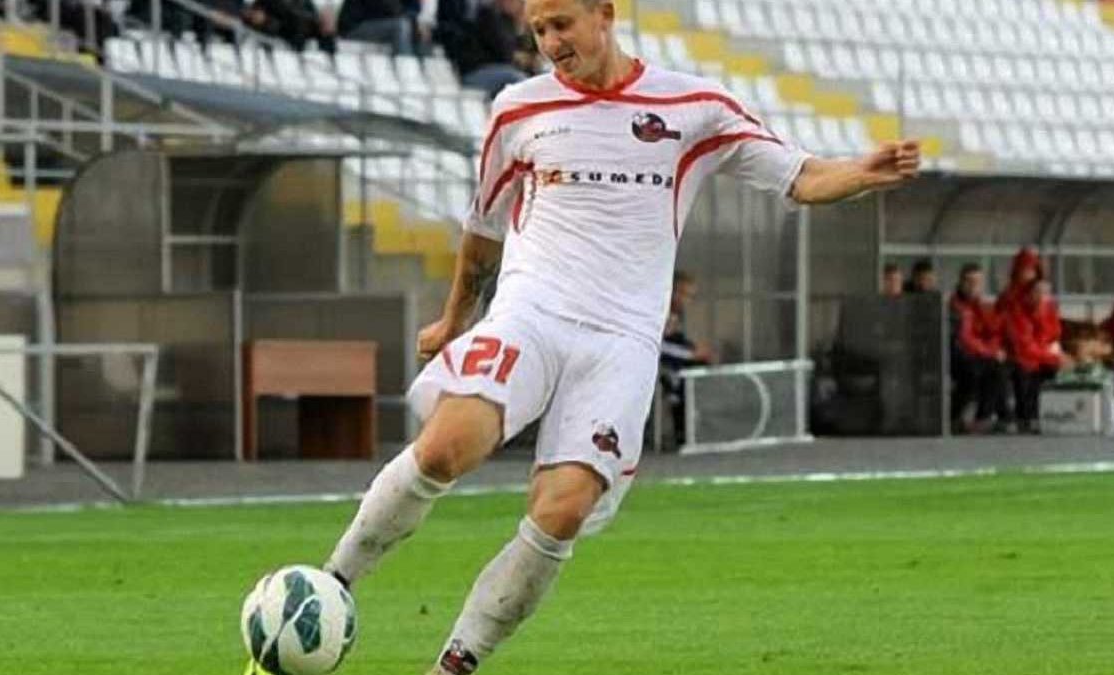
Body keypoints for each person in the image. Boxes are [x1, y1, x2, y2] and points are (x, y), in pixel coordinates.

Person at [310, 0, 921, 672]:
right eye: (538, 30)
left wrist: (863, 172)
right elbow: (483, 227)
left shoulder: (694, 106)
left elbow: (798, 175)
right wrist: (456, 318)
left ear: (604, 13)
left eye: (561, 25)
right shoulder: (517, 109)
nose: (550, 42)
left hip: (621, 341)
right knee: (445, 445)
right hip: (531, 313)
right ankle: (329, 583)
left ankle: (455, 662)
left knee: (564, 509)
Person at [948, 263, 1008, 433]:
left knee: (998, 368)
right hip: (956, 355)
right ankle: (960, 417)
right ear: (961, 282)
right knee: (979, 371)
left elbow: (991, 332)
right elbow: (965, 338)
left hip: (975, 355)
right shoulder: (956, 306)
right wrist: (990, 352)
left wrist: (995, 350)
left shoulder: (979, 305)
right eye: (970, 281)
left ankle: (986, 416)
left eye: (978, 282)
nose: (974, 286)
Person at [1004, 279, 1068, 433]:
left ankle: (1048, 414)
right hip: (1020, 357)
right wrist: (1052, 356)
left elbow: (1054, 336)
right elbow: (1025, 347)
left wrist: (1056, 355)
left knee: (1055, 369)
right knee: (1024, 370)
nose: (1042, 296)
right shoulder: (1018, 313)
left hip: (1041, 355)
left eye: (1046, 293)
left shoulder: (1050, 310)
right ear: (1028, 295)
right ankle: (1025, 418)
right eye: (1038, 292)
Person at [440, 0, 537, 99]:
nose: (516, 6)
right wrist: (518, 25)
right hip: (475, 73)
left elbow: (521, 50)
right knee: (517, 79)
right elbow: (505, 54)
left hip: (495, 71)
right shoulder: (488, 14)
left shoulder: (506, 20)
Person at [659, 270, 712, 448]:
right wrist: (691, 354)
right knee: (678, 378)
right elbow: (659, 346)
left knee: (700, 364)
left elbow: (675, 339)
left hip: (671, 360)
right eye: (682, 294)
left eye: (690, 296)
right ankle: (680, 431)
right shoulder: (660, 310)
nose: (686, 300)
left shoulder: (676, 314)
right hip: (655, 365)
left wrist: (694, 349)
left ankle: (690, 428)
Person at [996, 246, 1042, 315]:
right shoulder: (1008, 296)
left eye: (1031, 269)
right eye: (1025, 268)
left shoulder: (1040, 294)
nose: (1028, 273)